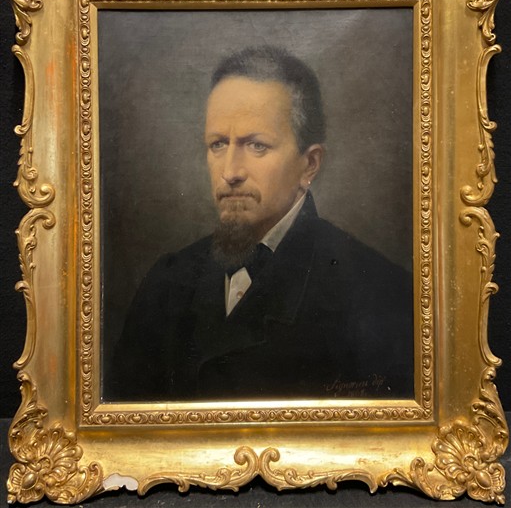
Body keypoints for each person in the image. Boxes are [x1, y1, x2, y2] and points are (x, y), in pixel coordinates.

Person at [106, 46, 413, 402]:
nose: (230, 172)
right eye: (218, 144)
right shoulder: (165, 285)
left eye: (256, 146)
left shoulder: (378, 294)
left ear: (309, 165)